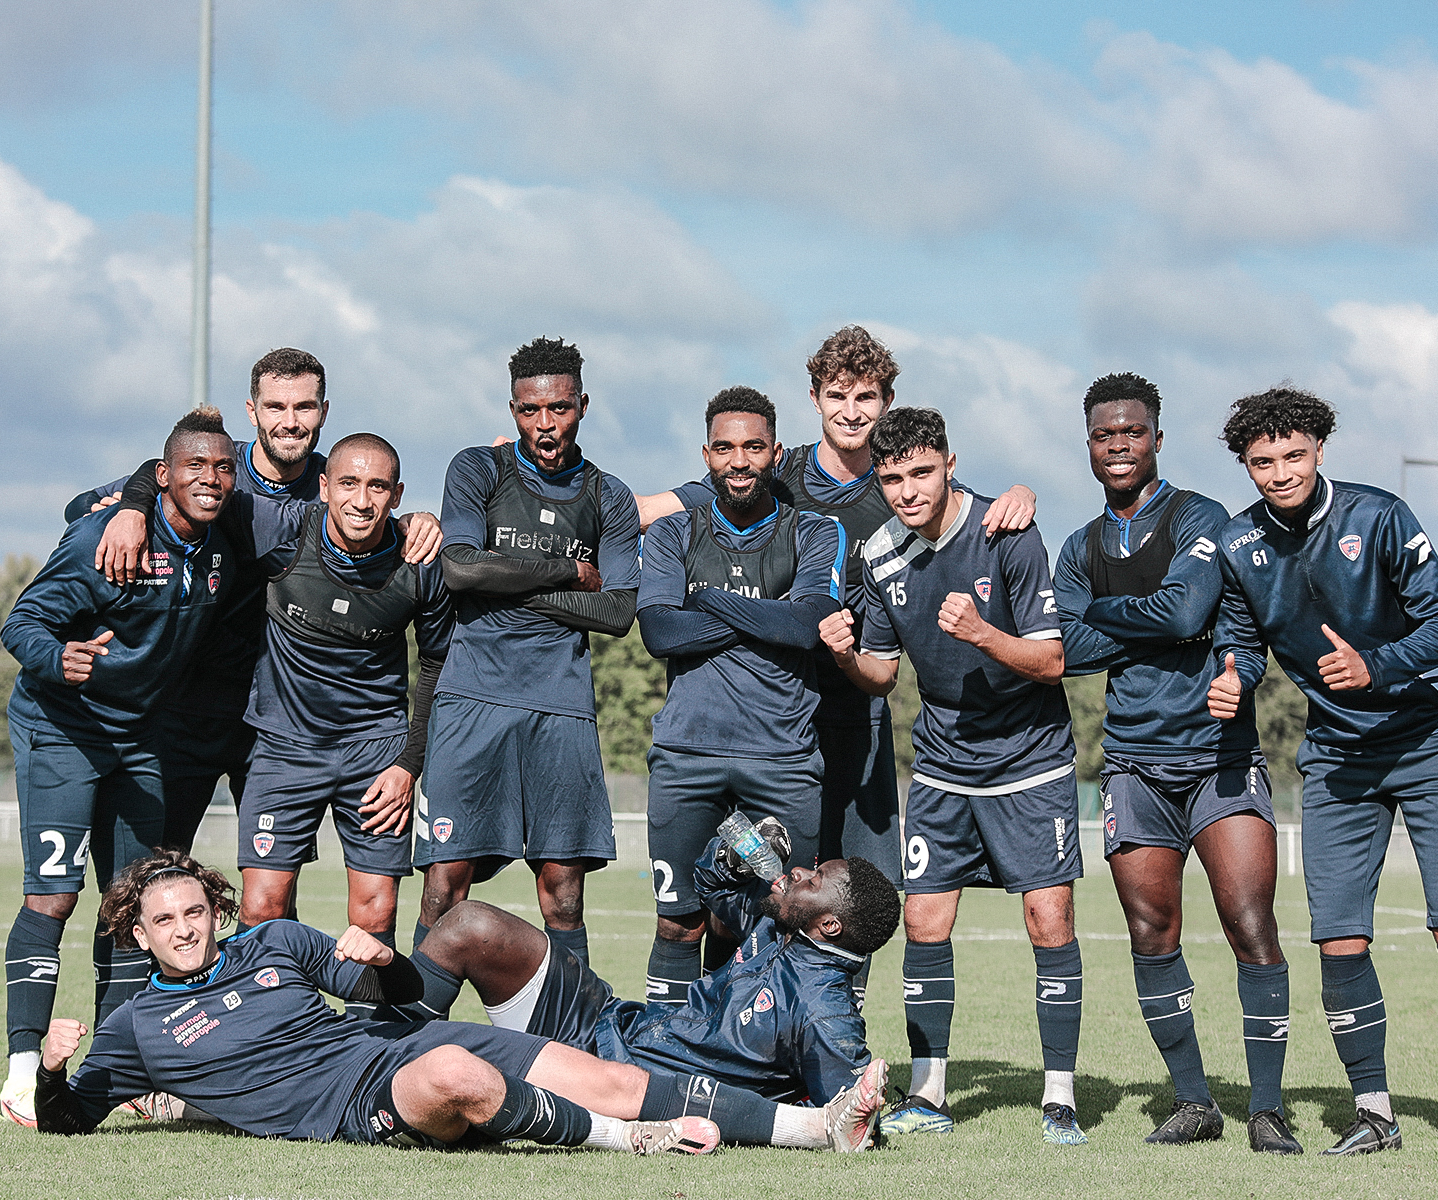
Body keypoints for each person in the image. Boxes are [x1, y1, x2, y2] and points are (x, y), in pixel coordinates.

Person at [635, 330, 1038, 1002]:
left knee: (855, 894)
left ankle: (832, 1034)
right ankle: (722, 1037)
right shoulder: (777, 468)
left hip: (857, 715)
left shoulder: (900, 478)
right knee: (747, 897)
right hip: (771, 724)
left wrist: (1019, 490)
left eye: (868, 397)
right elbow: (650, 510)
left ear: (887, 401)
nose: (853, 411)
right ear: (815, 399)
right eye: (838, 395)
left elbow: (976, 512)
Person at [1208, 387, 1438, 1164]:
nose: (1280, 472)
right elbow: (1241, 638)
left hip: (1433, 740)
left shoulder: (1378, 516)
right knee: (1339, 939)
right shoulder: (1239, 546)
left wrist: (1374, 664)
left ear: (1318, 450)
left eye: (1293, 456)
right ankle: (1373, 1111)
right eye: (1263, 461)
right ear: (1246, 464)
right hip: (1338, 756)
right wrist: (1235, 675)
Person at [32, 851, 719, 1156]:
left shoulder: (272, 941)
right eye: (164, 922)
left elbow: (397, 997)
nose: (184, 930)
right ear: (136, 933)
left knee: (607, 1075)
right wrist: (52, 1071)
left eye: (194, 912)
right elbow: (67, 1121)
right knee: (455, 1070)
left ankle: (803, 1126)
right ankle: (626, 1139)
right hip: (361, 1102)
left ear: (217, 910)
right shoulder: (135, 1028)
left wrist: (387, 962)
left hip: (385, 1047)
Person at [820, 407, 1086, 1145]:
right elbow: (882, 674)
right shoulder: (878, 553)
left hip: (1030, 760)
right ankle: (930, 1091)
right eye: (892, 477)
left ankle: (1059, 1097)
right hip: (940, 762)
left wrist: (982, 634)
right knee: (924, 920)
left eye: (921, 473)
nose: (907, 490)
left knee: (1049, 921)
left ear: (949, 464)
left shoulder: (1008, 530)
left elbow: (1052, 661)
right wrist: (845, 654)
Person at [99, 433, 450, 979]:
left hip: (376, 756)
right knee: (262, 906)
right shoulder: (282, 534)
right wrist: (131, 507)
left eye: (378, 486)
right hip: (283, 750)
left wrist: (409, 764)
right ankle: (270, 1032)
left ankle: (376, 1046)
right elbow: (175, 474)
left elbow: (437, 664)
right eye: (349, 484)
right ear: (325, 487)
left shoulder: (419, 560)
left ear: (397, 494)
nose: (362, 500)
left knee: (375, 912)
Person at [1053, 373, 1296, 1152]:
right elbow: (1067, 651)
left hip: (1218, 758)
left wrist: (1111, 614)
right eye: (1103, 434)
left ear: (1157, 437)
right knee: (1152, 929)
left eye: (1132, 431)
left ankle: (1267, 1108)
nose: (1118, 444)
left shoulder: (1202, 517)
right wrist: (1154, 621)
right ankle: (1194, 1102)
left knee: (1249, 922)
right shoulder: (1077, 546)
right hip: (1132, 761)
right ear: (1088, 444)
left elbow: (1194, 611)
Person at [0, 407, 244, 1126]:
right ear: (161, 476)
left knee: (132, 904)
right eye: (195, 467)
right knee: (54, 898)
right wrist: (59, 659)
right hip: (62, 727)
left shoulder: (222, 540)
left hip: (140, 737)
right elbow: (21, 624)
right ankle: (20, 1073)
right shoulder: (102, 538)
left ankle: (118, 1072)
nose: (212, 480)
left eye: (223, 468)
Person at [404, 825, 900, 1129]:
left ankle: (383, 1081)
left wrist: (870, 1100)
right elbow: (707, 883)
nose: (796, 873)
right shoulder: (776, 922)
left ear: (830, 925)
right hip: (608, 1019)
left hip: (614, 1077)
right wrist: (730, 857)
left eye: (813, 882)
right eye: (808, 869)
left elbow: (849, 1107)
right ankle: (386, 1043)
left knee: (464, 1060)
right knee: (469, 924)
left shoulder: (825, 1008)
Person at [415, 337, 641, 968]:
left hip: (558, 706)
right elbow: (459, 571)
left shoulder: (608, 496)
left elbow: (619, 613)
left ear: (582, 405)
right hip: (471, 700)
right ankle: (414, 1038)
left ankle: (573, 1046)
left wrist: (506, 580)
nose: (545, 425)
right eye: (529, 410)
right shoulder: (477, 469)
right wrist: (566, 571)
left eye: (560, 409)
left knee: (563, 894)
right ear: (512, 408)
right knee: (443, 885)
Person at [64, 348, 332, 853]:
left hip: (277, 720)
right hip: (185, 711)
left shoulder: (333, 485)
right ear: (252, 412)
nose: (290, 422)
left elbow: (381, 514)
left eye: (305, 407)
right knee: (150, 874)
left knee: (270, 885)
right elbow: (80, 506)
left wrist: (416, 524)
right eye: (276, 407)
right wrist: (129, 508)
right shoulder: (211, 466)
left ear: (324, 411)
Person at [635, 386, 845, 1005]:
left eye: (753, 447)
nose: (739, 460)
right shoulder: (673, 533)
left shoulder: (815, 531)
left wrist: (710, 604)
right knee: (679, 921)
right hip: (686, 756)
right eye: (725, 448)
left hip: (781, 759)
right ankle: (662, 1058)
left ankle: (760, 1070)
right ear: (707, 455)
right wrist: (767, 614)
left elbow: (807, 625)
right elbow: (659, 631)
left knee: (774, 921)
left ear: (776, 454)